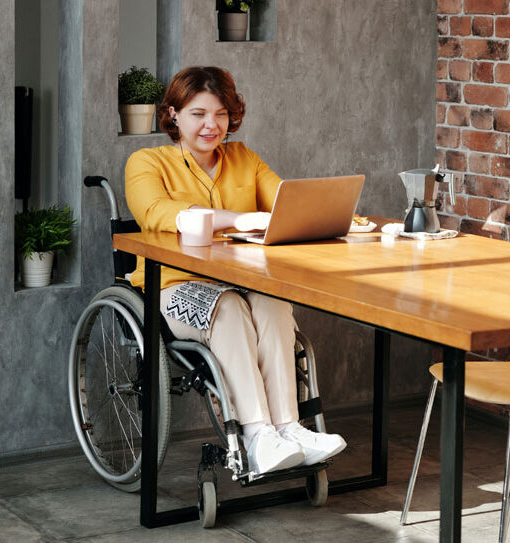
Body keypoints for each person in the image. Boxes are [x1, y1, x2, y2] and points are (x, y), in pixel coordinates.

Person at [125, 66, 346, 474]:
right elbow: (156, 212)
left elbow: (285, 202)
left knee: (274, 304)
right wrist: (237, 219)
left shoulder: (244, 158)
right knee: (227, 309)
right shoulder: (146, 162)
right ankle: (257, 434)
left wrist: (325, 214)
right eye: (198, 114)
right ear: (173, 114)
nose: (212, 124)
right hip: (174, 285)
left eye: (221, 114)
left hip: (244, 280)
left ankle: (289, 428)